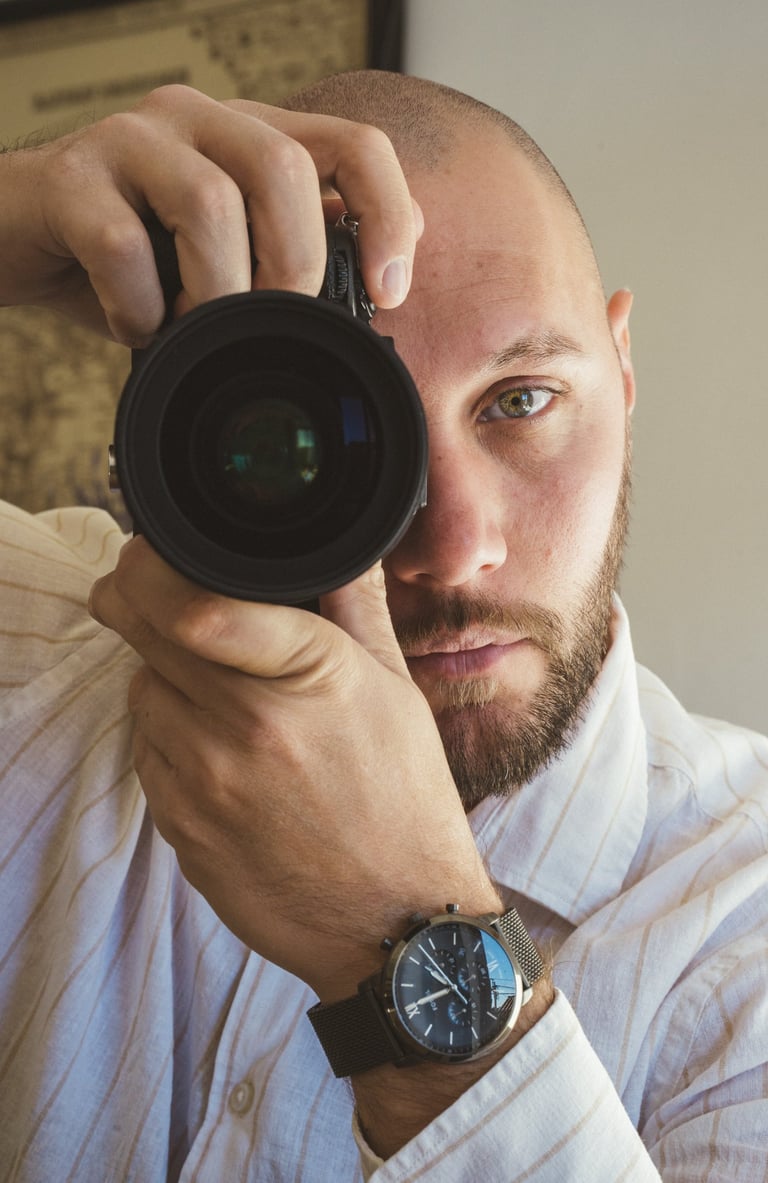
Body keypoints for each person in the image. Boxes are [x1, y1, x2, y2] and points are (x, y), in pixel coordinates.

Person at [0, 70, 765, 1182]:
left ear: (623, 369)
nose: (454, 547)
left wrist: (404, 943)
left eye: (520, 401)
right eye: (339, 435)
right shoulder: (43, 647)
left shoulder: (739, 915)